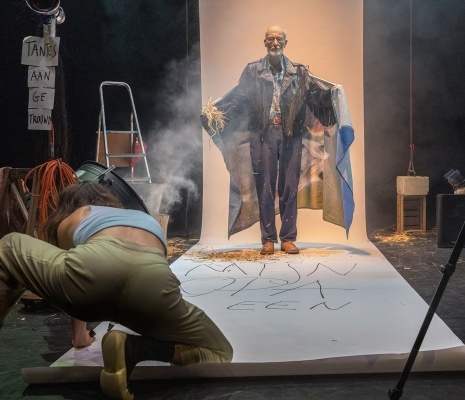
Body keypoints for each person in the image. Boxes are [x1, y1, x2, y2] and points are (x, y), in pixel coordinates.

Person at [0, 181, 233, 400]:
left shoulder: (78, 215)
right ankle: (137, 349)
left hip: (93, 276)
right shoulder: (146, 219)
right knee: (220, 350)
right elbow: (155, 268)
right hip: (152, 287)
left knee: (8, 247)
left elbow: (72, 267)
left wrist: (80, 337)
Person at [202, 25, 337, 255]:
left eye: (279, 39)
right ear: (265, 42)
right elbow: (239, 98)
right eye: (271, 39)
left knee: (289, 187)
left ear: (285, 42)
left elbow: (314, 97)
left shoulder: (299, 72)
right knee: (264, 186)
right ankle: (267, 240)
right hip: (263, 133)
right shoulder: (252, 71)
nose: (275, 43)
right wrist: (217, 111)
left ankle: (288, 238)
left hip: (291, 134)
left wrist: (334, 96)